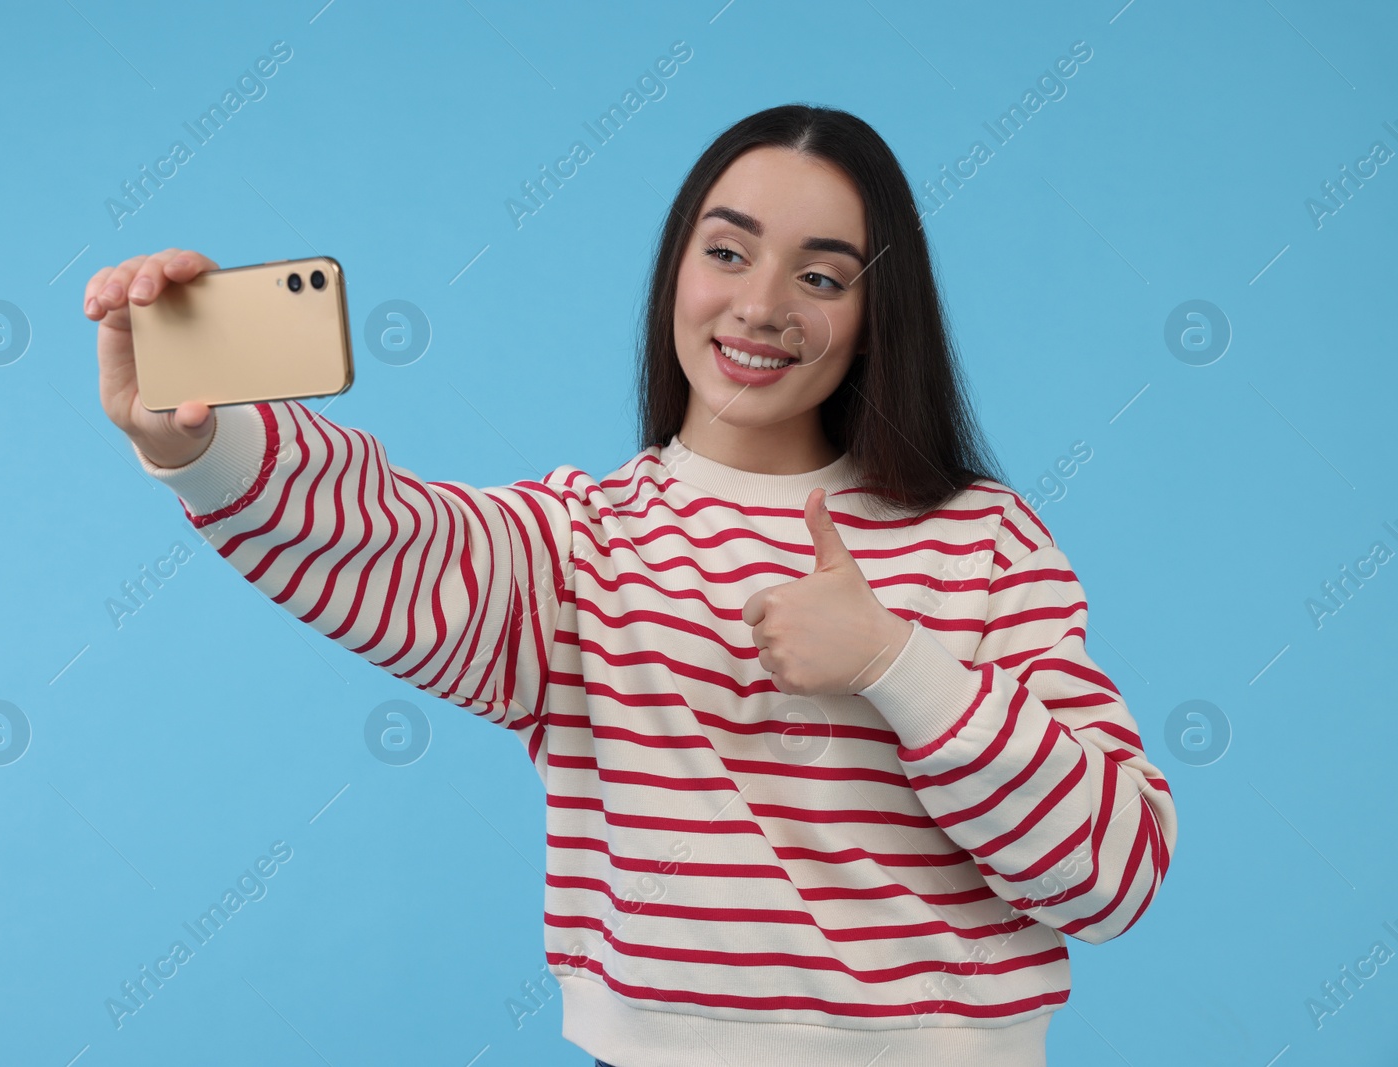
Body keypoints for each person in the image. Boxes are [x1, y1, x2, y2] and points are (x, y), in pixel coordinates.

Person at [85, 104, 1177, 1067]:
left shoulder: (982, 542)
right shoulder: (579, 549)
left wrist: (899, 663)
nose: (760, 305)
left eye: (821, 274)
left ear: (876, 309)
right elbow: (385, 538)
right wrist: (201, 438)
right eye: (727, 252)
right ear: (675, 270)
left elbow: (1114, 870)